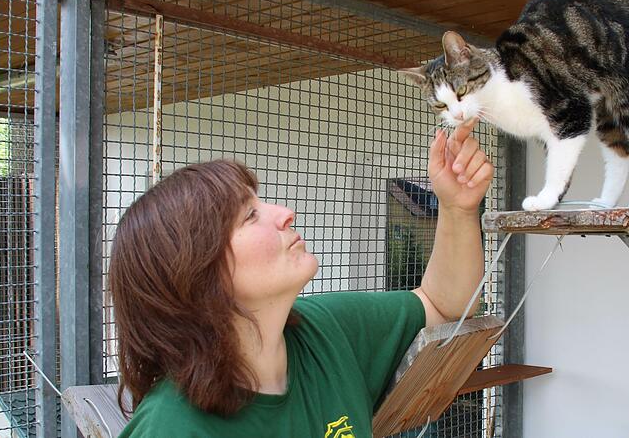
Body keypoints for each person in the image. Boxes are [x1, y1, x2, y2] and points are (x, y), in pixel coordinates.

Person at [109, 118, 493, 437]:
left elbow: (444, 304)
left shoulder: (324, 332)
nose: (285, 212)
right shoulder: (172, 428)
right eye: (250, 216)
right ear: (197, 272)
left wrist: (457, 208)